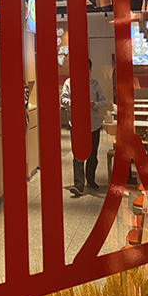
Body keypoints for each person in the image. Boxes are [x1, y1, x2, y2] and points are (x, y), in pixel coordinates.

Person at [61, 58, 106, 196]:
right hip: (77, 124)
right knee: (78, 154)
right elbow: (63, 99)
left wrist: (95, 104)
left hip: (93, 124)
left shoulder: (95, 84)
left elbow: (103, 101)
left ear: (90, 70)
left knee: (93, 154)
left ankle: (91, 181)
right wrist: (75, 102)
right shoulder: (69, 83)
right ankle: (78, 185)